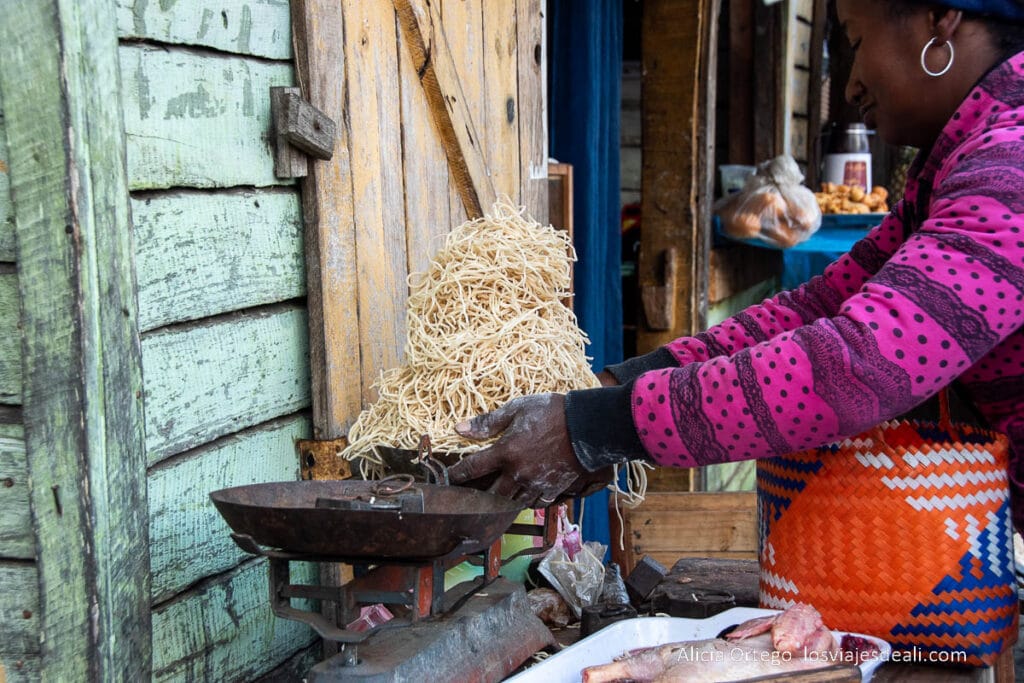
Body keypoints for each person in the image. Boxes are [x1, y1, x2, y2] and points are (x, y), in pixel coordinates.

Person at [449, 0, 1024, 531]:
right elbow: (817, 308)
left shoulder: (1010, 165)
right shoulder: (961, 163)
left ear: (941, 19)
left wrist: (593, 429)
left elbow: (858, 363)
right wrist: (607, 389)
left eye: (854, 38)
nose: (850, 83)